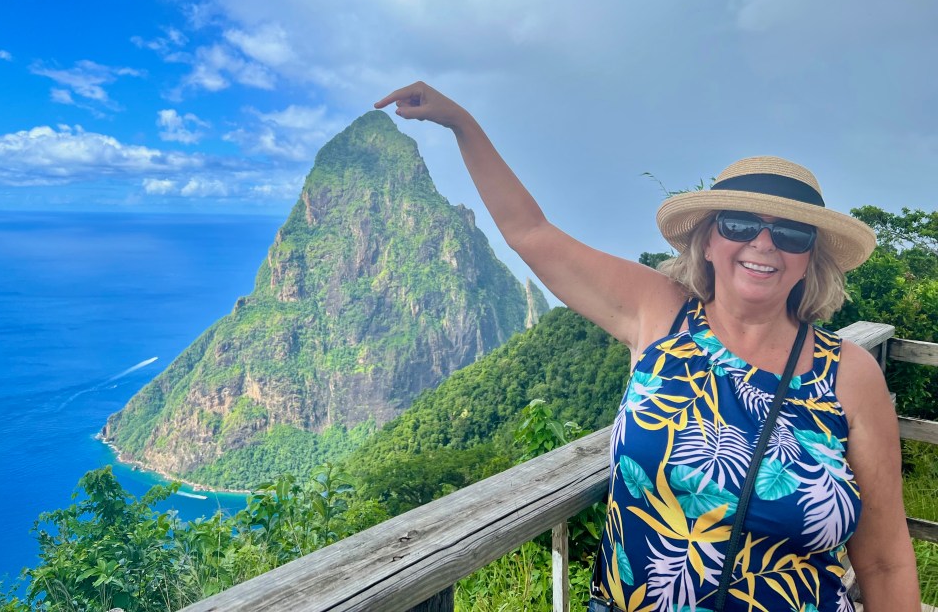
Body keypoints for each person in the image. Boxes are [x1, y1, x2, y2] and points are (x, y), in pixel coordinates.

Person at [375, 82, 920, 612]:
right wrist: (462, 124)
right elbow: (531, 233)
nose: (762, 243)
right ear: (708, 240)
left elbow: (885, 563)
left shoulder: (849, 374)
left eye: (791, 233)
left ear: (809, 258)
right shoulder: (661, 314)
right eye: (739, 224)